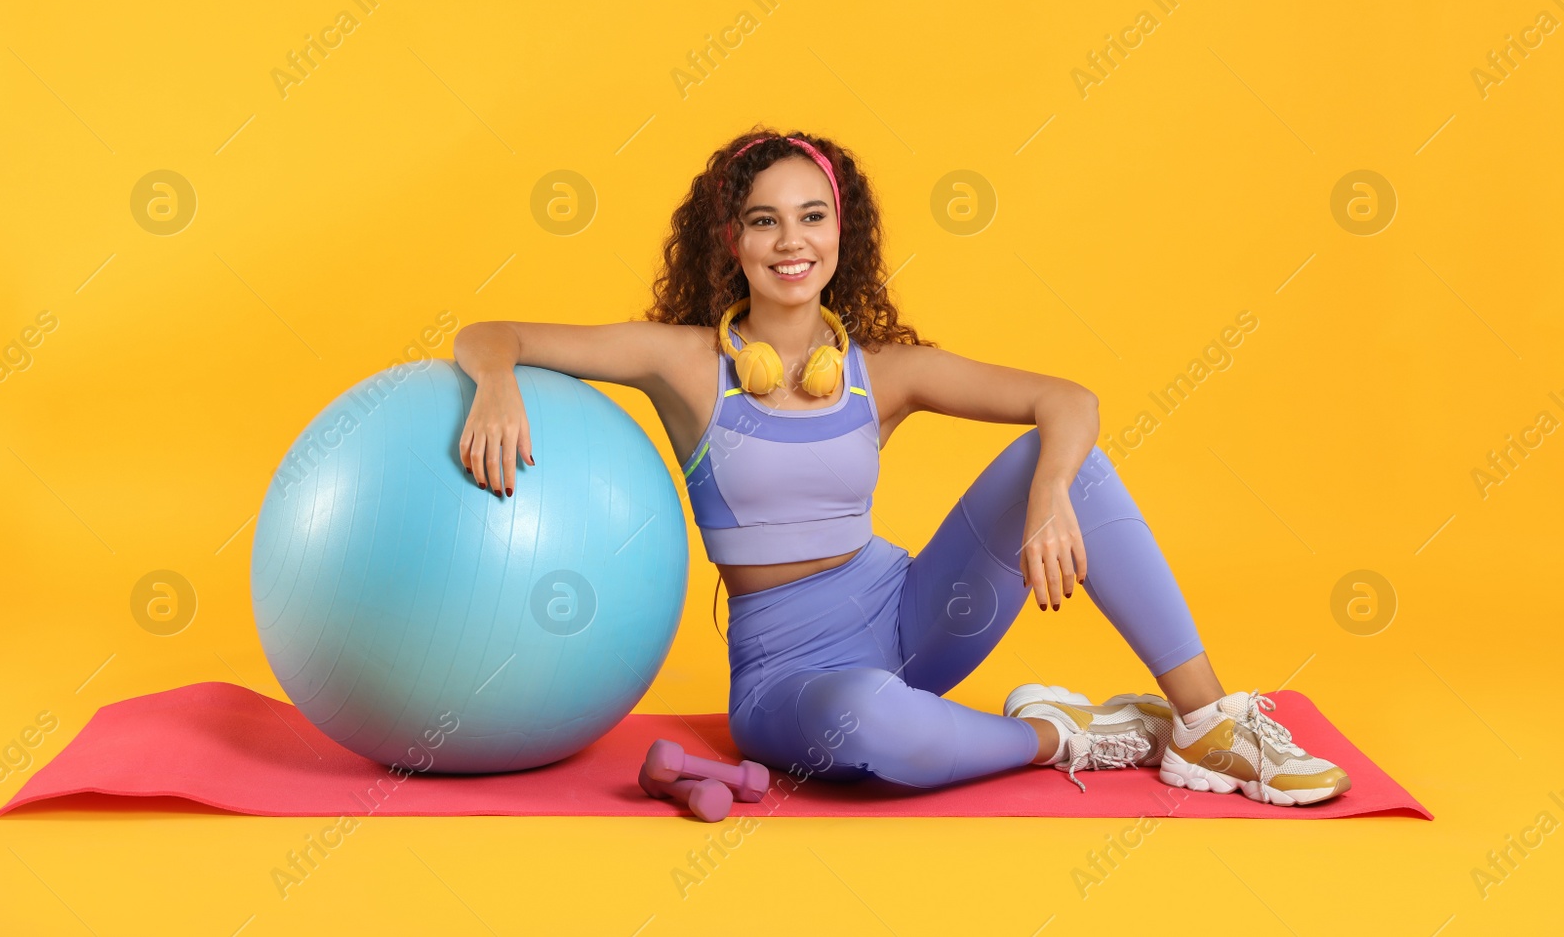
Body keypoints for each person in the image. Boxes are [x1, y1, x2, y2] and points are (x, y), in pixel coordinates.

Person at [452, 128, 1351, 806]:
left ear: (843, 234)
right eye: (765, 220)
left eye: (813, 216)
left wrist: (1046, 496)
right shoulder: (687, 363)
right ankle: (1065, 732)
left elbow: (1069, 400)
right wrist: (495, 380)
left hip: (914, 618)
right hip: (786, 678)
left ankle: (1204, 723)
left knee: (1066, 458)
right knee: (871, 718)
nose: (790, 241)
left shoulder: (880, 372)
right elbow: (494, 332)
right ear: (732, 239)